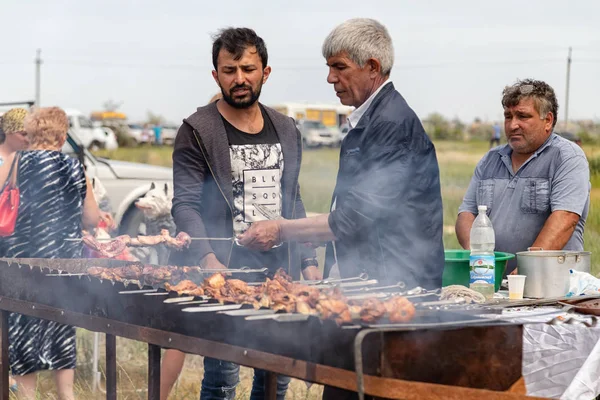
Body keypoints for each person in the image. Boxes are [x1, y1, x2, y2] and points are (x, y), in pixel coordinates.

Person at [168, 27, 320, 400]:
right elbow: (185, 204)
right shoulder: (197, 130)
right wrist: (207, 258)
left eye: (248, 69)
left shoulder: (286, 129)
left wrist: (309, 260)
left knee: (276, 377)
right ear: (216, 75)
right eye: (229, 70)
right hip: (226, 271)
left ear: (265, 72)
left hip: (279, 271)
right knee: (222, 378)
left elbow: (293, 200)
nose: (239, 79)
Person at [239, 18, 445, 290]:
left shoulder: (391, 124)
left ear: (372, 67)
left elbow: (353, 219)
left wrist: (280, 229)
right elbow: (353, 209)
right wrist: (314, 232)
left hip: (398, 286)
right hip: (370, 280)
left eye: (340, 67)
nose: (330, 78)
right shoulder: (368, 120)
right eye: (329, 67)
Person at [0, 107, 101, 400]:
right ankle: (66, 395)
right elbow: (92, 219)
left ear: (30, 134)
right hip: (63, 266)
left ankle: (27, 396)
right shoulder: (75, 167)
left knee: (23, 328)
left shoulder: (15, 161)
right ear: (61, 136)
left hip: (23, 265)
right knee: (62, 326)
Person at [455, 79, 590, 274]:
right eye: (508, 116)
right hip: (492, 283)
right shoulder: (490, 159)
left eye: (522, 116)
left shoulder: (567, 157)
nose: (513, 125)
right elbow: (467, 214)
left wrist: (523, 273)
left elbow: (565, 219)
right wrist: (481, 263)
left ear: (548, 120)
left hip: (552, 287)